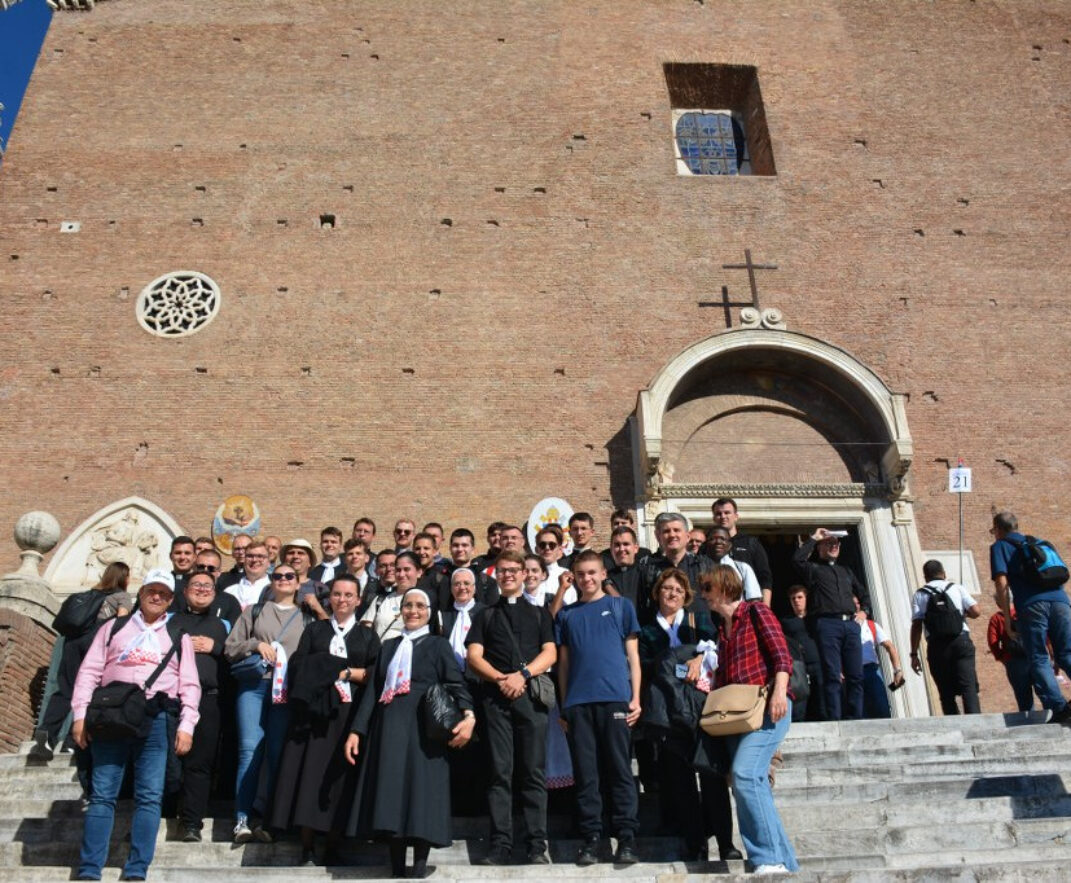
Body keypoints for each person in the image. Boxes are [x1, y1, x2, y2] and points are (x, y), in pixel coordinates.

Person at [69, 569, 200, 882]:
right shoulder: (114, 627)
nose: (157, 597)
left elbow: (190, 684)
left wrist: (187, 725)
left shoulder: (180, 634)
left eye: (164, 593)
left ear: (171, 599)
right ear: (141, 594)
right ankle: (89, 870)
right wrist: (79, 715)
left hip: (156, 717)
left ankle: (137, 869)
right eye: (151, 591)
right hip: (111, 717)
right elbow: (89, 672)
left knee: (149, 796)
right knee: (102, 795)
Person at [343, 588, 476, 879]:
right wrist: (357, 731)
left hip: (423, 731)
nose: (413, 611)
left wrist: (469, 715)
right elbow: (373, 692)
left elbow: (456, 684)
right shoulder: (388, 647)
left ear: (429, 612)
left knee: (421, 794)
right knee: (391, 794)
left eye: (419, 606)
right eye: (408, 606)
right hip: (389, 727)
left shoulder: (438, 645)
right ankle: (395, 866)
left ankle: (418, 867)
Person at [270, 574, 381, 866]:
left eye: (349, 595)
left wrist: (340, 672)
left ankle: (333, 843)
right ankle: (306, 845)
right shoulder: (315, 631)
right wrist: (335, 668)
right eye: (337, 594)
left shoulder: (367, 635)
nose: (342, 600)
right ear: (329, 598)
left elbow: (374, 674)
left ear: (358, 600)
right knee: (309, 775)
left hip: (348, 715)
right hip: (314, 715)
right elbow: (299, 665)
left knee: (339, 778)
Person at [698, 565, 799, 874]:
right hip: (737, 717)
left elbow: (782, 655)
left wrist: (780, 692)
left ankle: (767, 858)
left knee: (745, 774)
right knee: (754, 783)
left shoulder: (756, 612)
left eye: (707, 589)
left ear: (723, 587)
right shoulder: (722, 630)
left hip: (768, 708)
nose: (703, 596)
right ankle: (784, 862)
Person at [637, 568, 739, 862]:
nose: (672, 594)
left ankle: (725, 842)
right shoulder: (646, 630)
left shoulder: (698, 621)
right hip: (667, 714)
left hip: (701, 709)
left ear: (686, 596)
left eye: (678, 590)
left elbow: (717, 649)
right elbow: (644, 665)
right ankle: (696, 845)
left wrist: (698, 655)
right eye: (667, 589)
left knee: (713, 779)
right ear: (658, 593)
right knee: (681, 785)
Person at [466, 550, 557, 865]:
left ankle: (536, 845)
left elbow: (550, 654)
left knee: (533, 772)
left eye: (513, 570)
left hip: (530, 698)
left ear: (524, 574)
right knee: (499, 773)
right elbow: (474, 656)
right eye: (502, 571)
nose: (508, 575)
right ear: (497, 575)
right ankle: (500, 845)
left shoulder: (540, 614)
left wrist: (522, 675)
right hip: (495, 700)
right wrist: (501, 679)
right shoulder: (484, 615)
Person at [555, 550, 642, 866]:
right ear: (574, 578)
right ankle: (592, 839)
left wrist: (635, 698)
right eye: (581, 574)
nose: (587, 579)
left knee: (620, 772)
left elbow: (633, 656)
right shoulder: (566, 615)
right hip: (578, 705)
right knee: (587, 777)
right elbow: (563, 665)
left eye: (592, 572)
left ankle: (627, 838)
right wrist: (564, 706)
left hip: (615, 700)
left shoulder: (620, 607)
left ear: (603, 574)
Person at [224, 561, 311, 842]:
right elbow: (230, 647)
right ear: (271, 582)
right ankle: (242, 819)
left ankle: (270, 820)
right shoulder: (255, 611)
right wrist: (255, 644)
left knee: (277, 754)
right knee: (249, 751)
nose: (283, 579)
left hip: (286, 693)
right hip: (254, 686)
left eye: (290, 576)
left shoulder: (306, 618)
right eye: (278, 576)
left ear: (298, 583)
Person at [34, 562, 133, 762]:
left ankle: (46, 735)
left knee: (65, 689)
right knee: (91, 691)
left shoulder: (89, 594)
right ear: (124, 578)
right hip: (95, 645)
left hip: (72, 643)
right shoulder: (122, 596)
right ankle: (72, 742)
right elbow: (120, 624)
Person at [990, 510, 1071, 724]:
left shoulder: (1000, 546)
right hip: (1061, 601)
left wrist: (1008, 619)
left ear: (998, 529)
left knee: (1038, 657)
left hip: (1031, 605)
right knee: (1066, 653)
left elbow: (1001, 584)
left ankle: (1060, 708)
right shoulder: (1040, 542)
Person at [171, 570, 229, 841]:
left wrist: (215, 647)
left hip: (208, 699)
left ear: (215, 594)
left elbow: (234, 655)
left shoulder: (223, 626)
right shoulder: (169, 621)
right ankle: (161, 813)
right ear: (185, 591)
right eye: (196, 585)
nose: (202, 589)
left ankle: (192, 823)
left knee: (200, 763)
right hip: (171, 698)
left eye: (208, 586)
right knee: (166, 760)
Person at [792, 528, 872, 720]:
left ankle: (855, 718)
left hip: (850, 625)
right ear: (820, 547)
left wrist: (864, 611)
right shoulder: (814, 569)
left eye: (836, 543)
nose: (834, 546)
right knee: (832, 675)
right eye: (829, 543)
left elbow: (864, 594)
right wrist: (813, 538)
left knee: (855, 675)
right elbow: (797, 561)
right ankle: (835, 719)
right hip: (827, 625)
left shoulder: (846, 571)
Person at [911, 559, 981, 715]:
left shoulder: (920, 594)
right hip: (961, 640)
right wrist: (963, 612)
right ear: (943, 573)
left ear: (926, 577)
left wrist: (914, 654)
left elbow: (917, 625)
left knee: (945, 692)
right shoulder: (956, 588)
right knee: (968, 686)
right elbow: (976, 611)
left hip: (937, 646)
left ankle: (953, 724)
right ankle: (976, 724)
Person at [709, 498, 774, 605]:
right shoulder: (708, 545)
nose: (723, 516)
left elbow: (765, 577)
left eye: (727, 512)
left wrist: (765, 607)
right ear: (714, 518)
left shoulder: (751, 542)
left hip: (747, 605)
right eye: (718, 513)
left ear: (736, 516)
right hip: (716, 607)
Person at [779, 586, 825, 721]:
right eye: (793, 598)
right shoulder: (785, 621)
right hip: (798, 665)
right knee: (799, 700)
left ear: (806, 598)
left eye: (799, 597)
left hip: (818, 662)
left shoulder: (816, 619)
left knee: (822, 699)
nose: (796, 601)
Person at [855, 597, 905, 719]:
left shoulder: (872, 625)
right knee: (860, 712)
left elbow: (889, 647)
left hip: (872, 670)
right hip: (853, 672)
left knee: (882, 707)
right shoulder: (843, 626)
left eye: (857, 603)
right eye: (852, 603)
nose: (855, 606)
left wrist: (897, 670)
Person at [361, 551, 419, 641]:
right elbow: (365, 630)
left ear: (419, 572)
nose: (402, 574)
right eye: (398, 570)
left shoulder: (426, 600)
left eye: (406, 569)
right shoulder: (380, 600)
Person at [707, 526, 763, 602]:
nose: (718, 542)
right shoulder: (697, 567)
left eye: (722, 539)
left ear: (730, 545)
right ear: (707, 543)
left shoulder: (743, 568)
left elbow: (753, 599)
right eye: (713, 539)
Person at [224, 540, 272, 610]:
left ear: (268, 562)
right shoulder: (229, 592)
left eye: (260, 556)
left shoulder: (275, 591)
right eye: (250, 556)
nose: (254, 560)